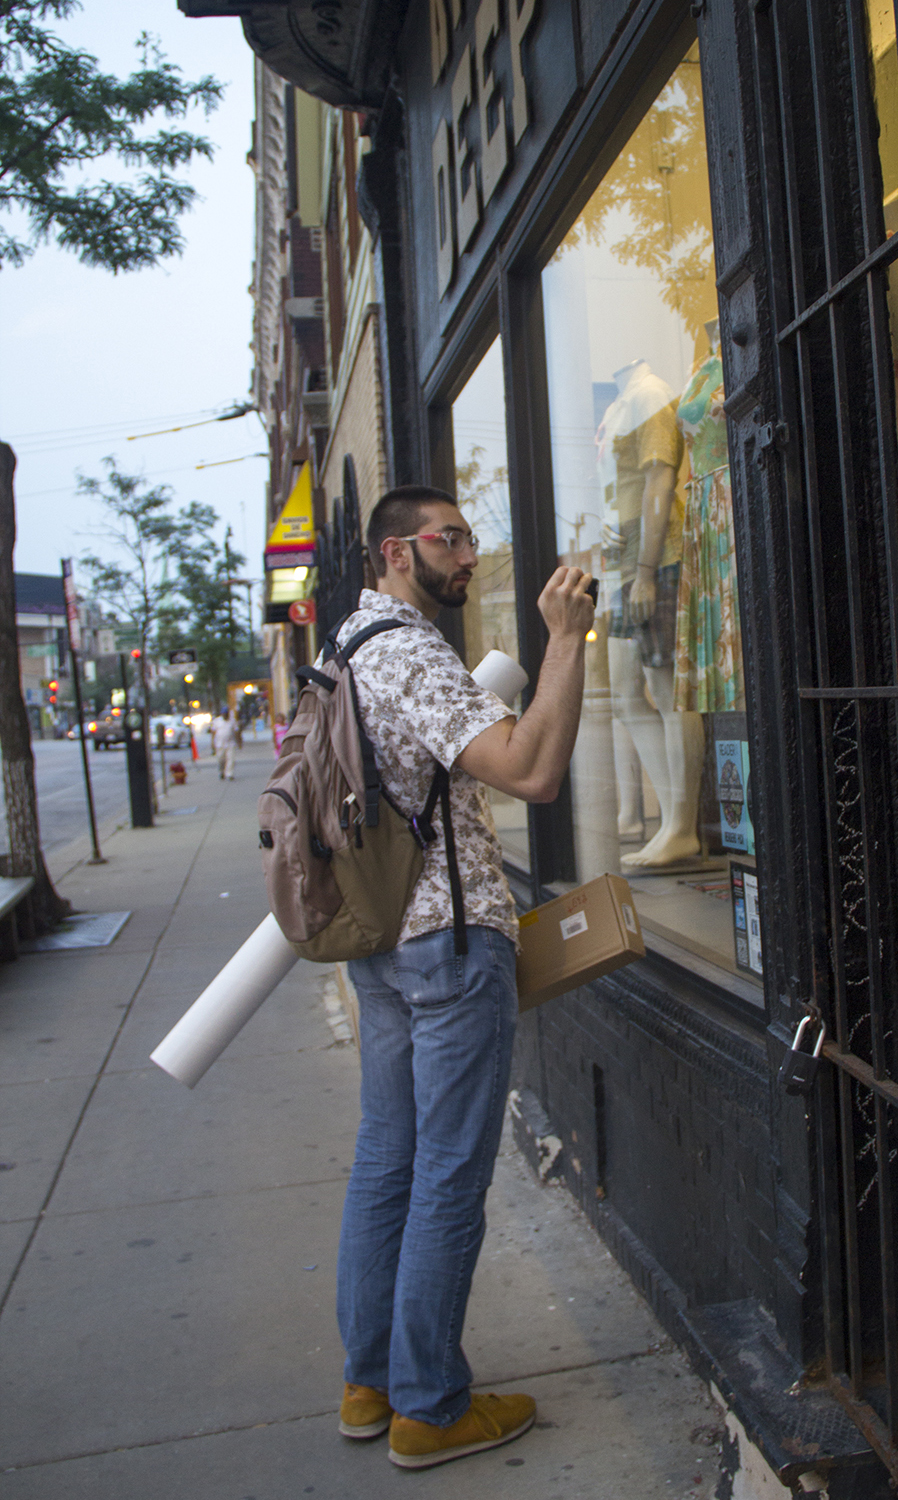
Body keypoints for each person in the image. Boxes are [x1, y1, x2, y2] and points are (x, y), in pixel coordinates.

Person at [333, 484, 594, 1471]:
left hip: (381, 944)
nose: (471, 554)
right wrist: (564, 639)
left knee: (388, 1159)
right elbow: (530, 770)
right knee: (446, 1172)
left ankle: (372, 1383)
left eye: (472, 536)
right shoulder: (409, 651)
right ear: (397, 552)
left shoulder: (348, 647)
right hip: (445, 945)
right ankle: (431, 1407)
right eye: (451, 538)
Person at [210, 708, 238, 781]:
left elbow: (236, 731)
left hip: (230, 743)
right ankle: (222, 771)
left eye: (226, 714)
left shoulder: (232, 721)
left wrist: (239, 742)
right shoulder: (217, 721)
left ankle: (229, 774)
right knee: (221, 759)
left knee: (230, 758)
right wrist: (212, 743)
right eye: (224, 714)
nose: (225, 715)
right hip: (219, 743)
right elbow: (213, 732)